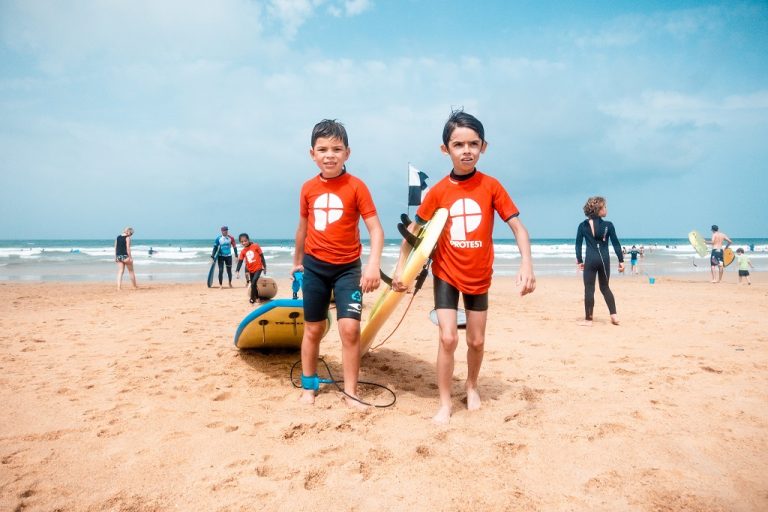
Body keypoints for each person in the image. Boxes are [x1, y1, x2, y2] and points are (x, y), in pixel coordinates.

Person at [392, 110, 536, 424]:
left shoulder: (492, 186)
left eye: (473, 143)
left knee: (476, 341)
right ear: (446, 149)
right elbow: (413, 234)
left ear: (484, 146)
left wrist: (527, 263)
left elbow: (519, 229)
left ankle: (471, 385)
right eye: (458, 144)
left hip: (480, 275)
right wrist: (401, 269)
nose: (466, 150)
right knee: (448, 339)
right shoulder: (438, 192)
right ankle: (444, 403)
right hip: (446, 273)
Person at [291, 119, 384, 408]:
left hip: (347, 269)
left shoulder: (357, 187)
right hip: (315, 267)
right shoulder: (307, 188)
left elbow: (376, 230)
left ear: (347, 153)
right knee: (313, 329)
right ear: (312, 154)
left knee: (350, 329)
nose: (329, 155)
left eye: (336, 149)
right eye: (323, 149)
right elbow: (303, 228)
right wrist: (297, 262)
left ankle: (352, 392)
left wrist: (372, 265)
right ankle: (309, 386)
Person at [575, 196, 624, 327]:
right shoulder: (608, 225)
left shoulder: (582, 226)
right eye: (605, 207)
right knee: (605, 287)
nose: (606, 209)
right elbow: (616, 244)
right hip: (603, 259)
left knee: (589, 289)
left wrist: (579, 260)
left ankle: (588, 320)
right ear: (599, 210)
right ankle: (614, 316)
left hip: (590, 259)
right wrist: (621, 260)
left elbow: (578, 245)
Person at [235, 233, 267, 303]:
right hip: (251, 270)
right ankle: (257, 298)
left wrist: (264, 266)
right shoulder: (243, 251)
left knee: (253, 283)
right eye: (242, 242)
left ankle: (252, 299)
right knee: (253, 284)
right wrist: (237, 271)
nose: (244, 243)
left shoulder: (255, 246)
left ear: (248, 240)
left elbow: (262, 256)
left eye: (245, 241)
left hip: (258, 268)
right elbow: (240, 261)